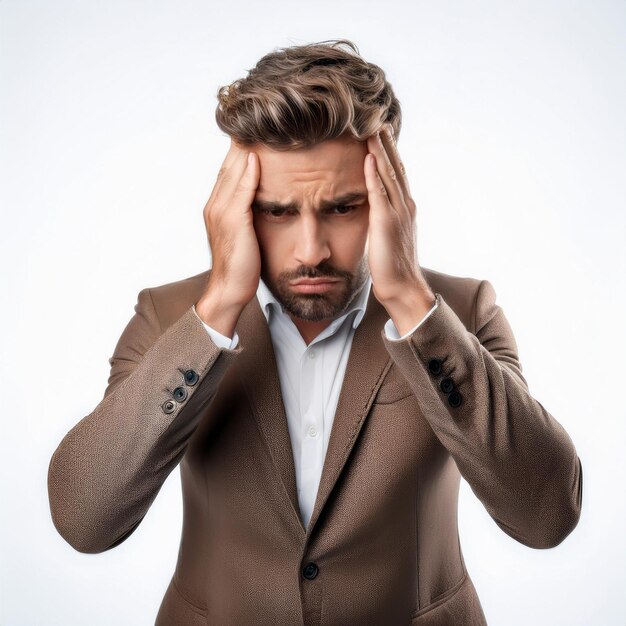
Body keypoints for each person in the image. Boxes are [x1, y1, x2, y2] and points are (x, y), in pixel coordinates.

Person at [47, 39, 583, 625]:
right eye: (278, 212)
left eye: (343, 208)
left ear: (391, 201)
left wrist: (410, 301)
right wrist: (218, 309)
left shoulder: (459, 313)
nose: (311, 251)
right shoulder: (169, 316)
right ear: (237, 206)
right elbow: (84, 519)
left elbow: (547, 516)